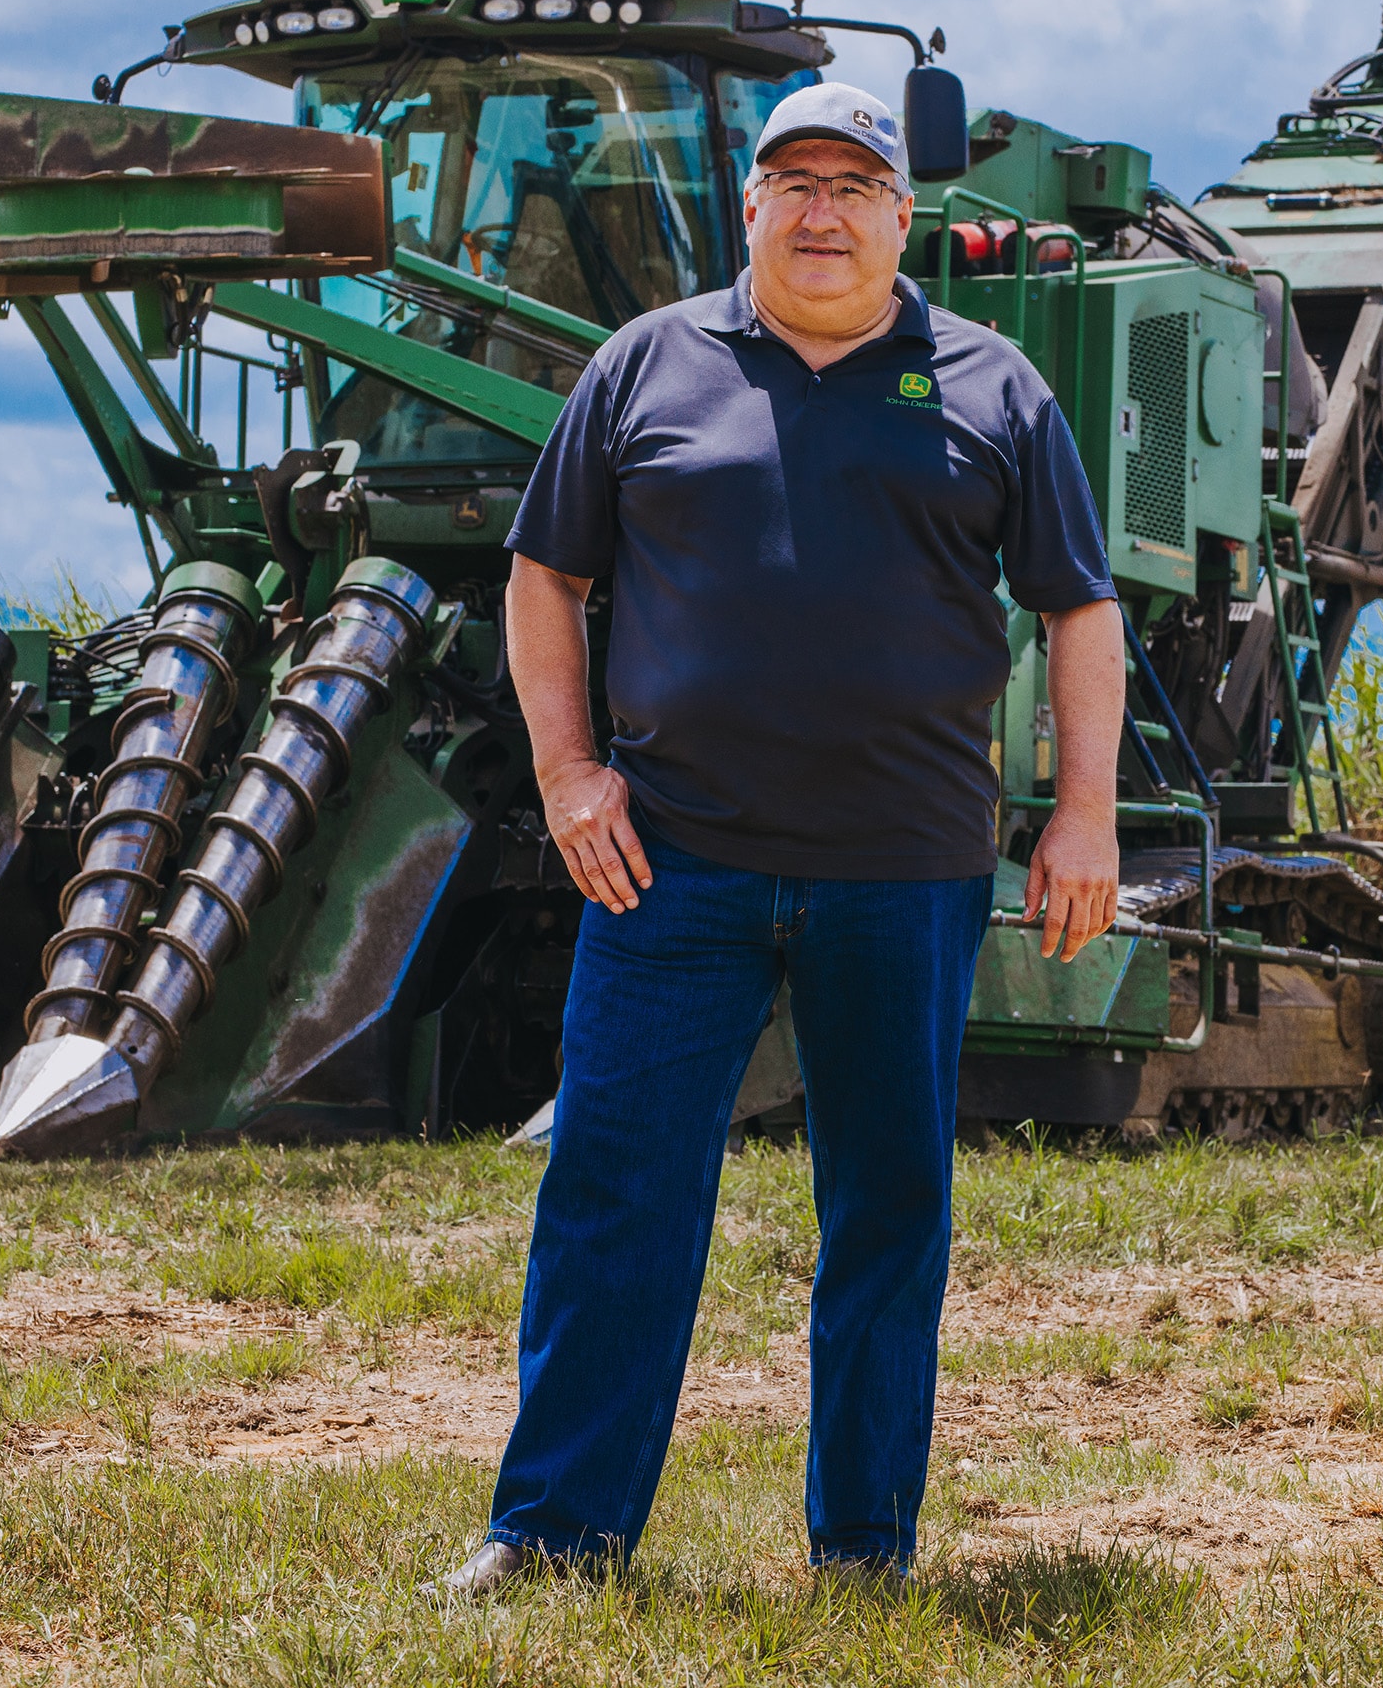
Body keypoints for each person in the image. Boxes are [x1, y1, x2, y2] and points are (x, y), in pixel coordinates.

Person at [430, 79, 1124, 1597]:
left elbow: (1082, 606)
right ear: (748, 205)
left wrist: (1083, 814)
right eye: (793, 181)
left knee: (887, 1202)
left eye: (854, 184)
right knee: (617, 1186)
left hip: (907, 866)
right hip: (674, 861)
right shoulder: (643, 368)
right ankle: (555, 1534)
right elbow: (544, 579)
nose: (822, 209)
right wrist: (566, 776)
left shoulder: (994, 387)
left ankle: (866, 1545)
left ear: (902, 214)